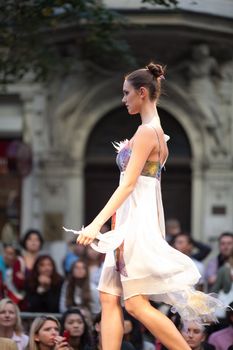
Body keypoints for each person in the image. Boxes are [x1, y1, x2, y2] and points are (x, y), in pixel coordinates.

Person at [75, 63, 223, 350]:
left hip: (134, 223)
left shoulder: (147, 133)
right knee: (108, 296)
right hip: (127, 220)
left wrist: (96, 224)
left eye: (126, 93)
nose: (123, 99)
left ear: (142, 93)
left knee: (134, 303)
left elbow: (129, 185)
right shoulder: (154, 133)